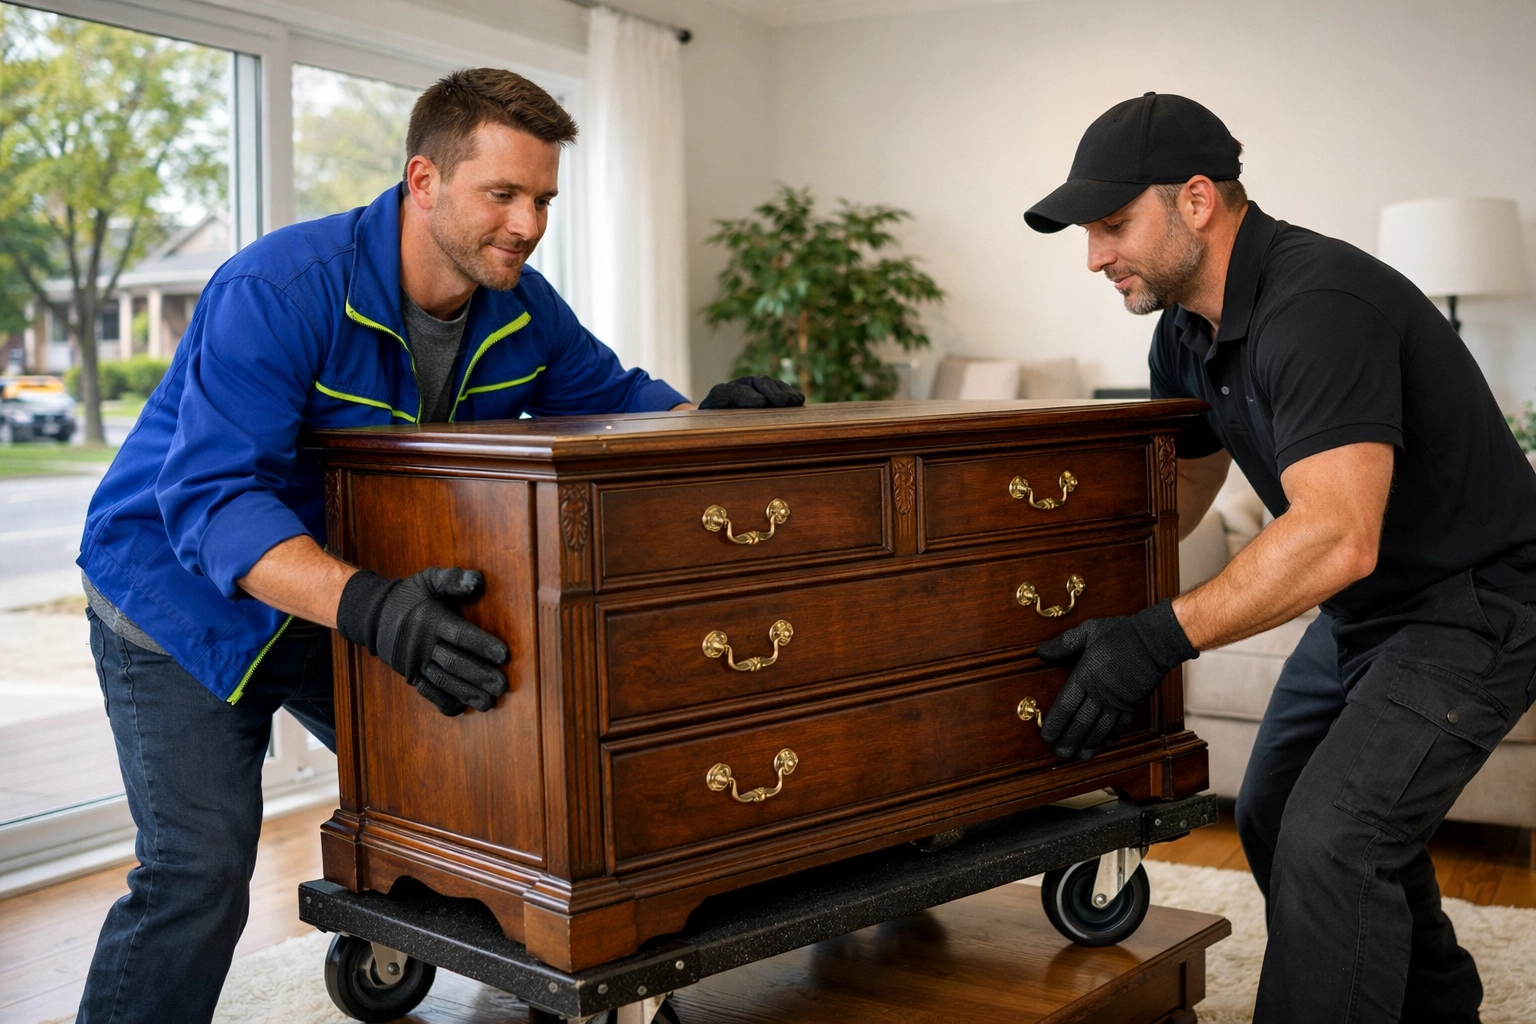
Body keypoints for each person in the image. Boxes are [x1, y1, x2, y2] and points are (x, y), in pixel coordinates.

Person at [74, 67, 802, 1024]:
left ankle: (564, 985)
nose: (528, 222)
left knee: (494, 794)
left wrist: (712, 421)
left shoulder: (519, 307)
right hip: (180, 600)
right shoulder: (281, 289)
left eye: (541, 198)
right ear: (424, 181)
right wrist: (375, 610)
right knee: (198, 870)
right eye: (502, 194)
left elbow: (622, 402)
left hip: (353, 593)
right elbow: (211, 502)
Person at [1022, 92, 1536, 1023]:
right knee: (1272, 811)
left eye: (1111, 225)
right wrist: (1069, 594)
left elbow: (1338, 534)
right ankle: (1438, 1006)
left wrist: (1155, 638)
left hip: (1476, 605)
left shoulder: (1318, 306)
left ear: (1196, 200)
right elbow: (1184, 493)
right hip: (1368, 609)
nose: (1095, 256)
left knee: (1334, 840)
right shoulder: (1185, 331)